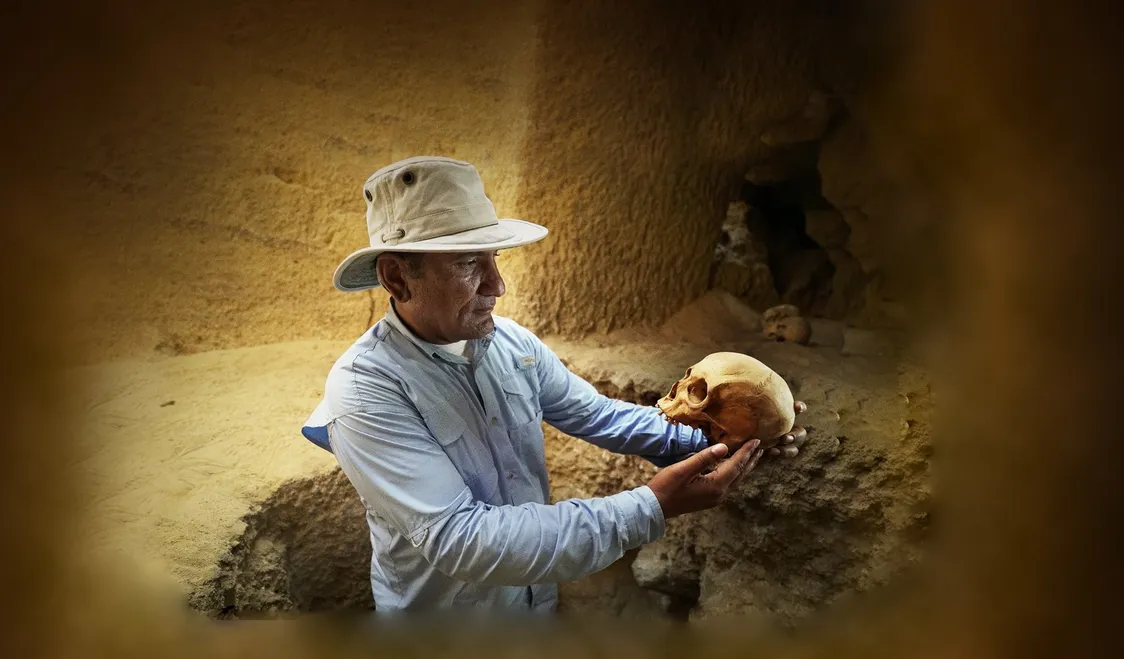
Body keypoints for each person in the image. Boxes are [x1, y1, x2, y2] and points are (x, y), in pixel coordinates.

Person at [301, 156, 808, 612]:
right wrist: (652, 506)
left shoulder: (512, 345)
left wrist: (724, 434)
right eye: (467, 263)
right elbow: (461, 538)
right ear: (396, 278)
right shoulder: (365, 392)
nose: (497, 285)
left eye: (493, 260)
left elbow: (597, 415)